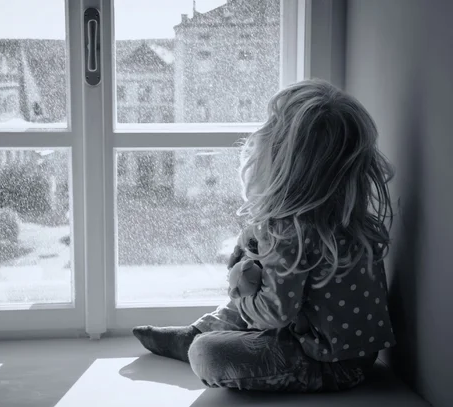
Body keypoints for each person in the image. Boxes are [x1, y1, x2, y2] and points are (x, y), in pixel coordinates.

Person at [132, 79, 396, 392]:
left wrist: (238, 288)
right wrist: (255, 252)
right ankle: (197, 332)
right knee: (253, 292)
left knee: (208, 353)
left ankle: (198, 339)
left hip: (326, 363)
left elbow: (271, 315)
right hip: (357, 354)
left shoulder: (289, 231)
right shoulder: (348, 220)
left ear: (280, 164)